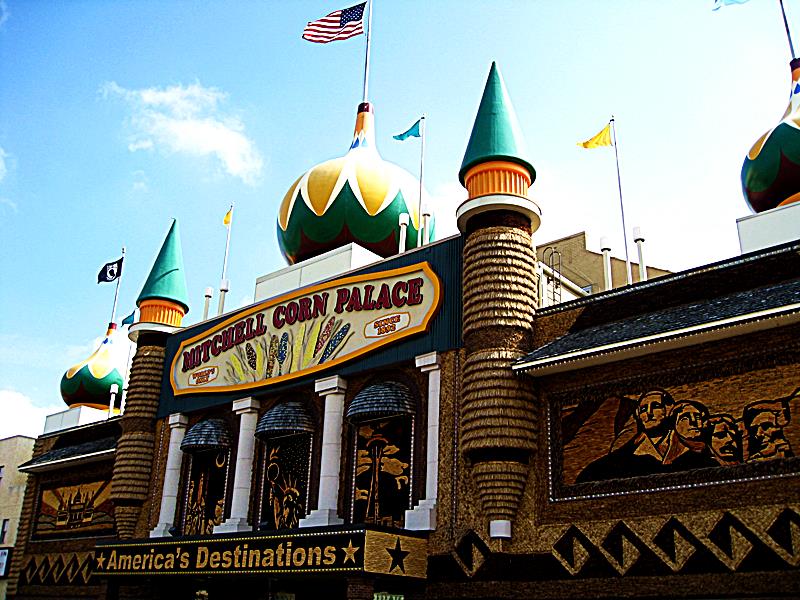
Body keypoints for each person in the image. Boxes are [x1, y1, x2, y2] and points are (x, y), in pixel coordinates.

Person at [576, 389, 674, 482]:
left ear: (670, 409)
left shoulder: (683, 445)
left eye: (656, 406)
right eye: (643, 409)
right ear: (638, 415)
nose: (648, 413)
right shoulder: (623, 456)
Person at [662, 400, 718, 470]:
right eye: (685, 418)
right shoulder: (678, 463)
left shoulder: (715, 454)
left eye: (697, 417)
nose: (693, 421)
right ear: (674, 426)